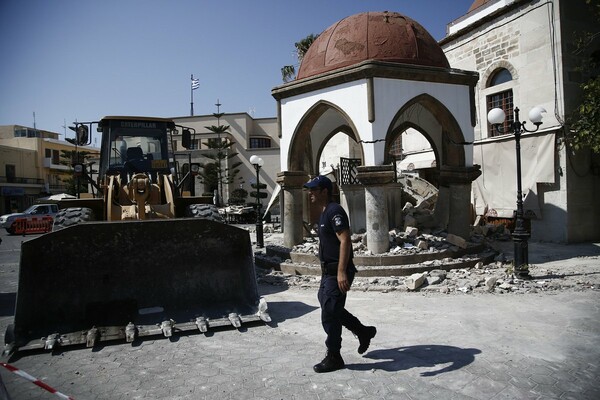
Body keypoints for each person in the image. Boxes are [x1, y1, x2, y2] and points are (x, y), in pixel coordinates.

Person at [304, 175, 377, 373]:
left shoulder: (335, 211)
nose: (310, 192)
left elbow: (345, 240)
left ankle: (334, 356)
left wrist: (342, 272)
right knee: (330, 307)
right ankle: (363, 331)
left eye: (313, 189)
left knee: (329, 313)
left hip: (337, 271)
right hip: (328, 271)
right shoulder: (324, 212)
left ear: (324, 191)